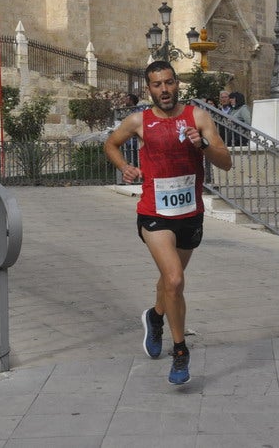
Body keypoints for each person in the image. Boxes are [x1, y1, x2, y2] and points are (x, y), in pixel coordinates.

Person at [104, 60, 232, 385]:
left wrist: (202, 145)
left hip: (189, 214)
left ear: (176, 84)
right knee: (174, 280)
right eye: (157, 84)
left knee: (168, 283)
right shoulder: (139, 120)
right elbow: (110, 143)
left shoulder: (197, 117)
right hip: (154, 214)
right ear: (149, 89)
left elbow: (226, 162)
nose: (164, 89)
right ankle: (180, 351)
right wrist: (124, 166)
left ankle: (155, 316)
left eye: (169, 82)